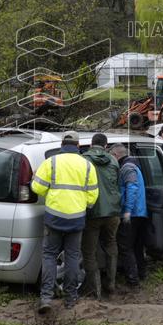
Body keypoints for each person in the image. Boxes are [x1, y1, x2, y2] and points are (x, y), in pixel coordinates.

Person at [31, 130, 98, 313]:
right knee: (72, 258)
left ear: (62, 145)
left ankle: (46, 298)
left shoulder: (50, 162)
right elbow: (93, 197)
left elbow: (37, 188)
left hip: (54, 218)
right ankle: (70, 298)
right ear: (77, 146)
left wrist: (48, 192)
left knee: (49, 256)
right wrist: (81, 204)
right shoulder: (87, 166)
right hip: (76, 219)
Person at [81, 133, 121, 299]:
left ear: (91, 144)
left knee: (89, 252)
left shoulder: (83, 160)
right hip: (112, 212)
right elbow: (117, 184)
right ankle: (110, 285)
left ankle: (94, 290)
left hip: (92, 212)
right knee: (111, 245)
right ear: (106, 146)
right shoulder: (113, 161)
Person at [110, 144, 149, 287]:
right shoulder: (134, 164)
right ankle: (142, 273)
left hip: (132, 214)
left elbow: (132, 188)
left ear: (115, 155)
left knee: (126, 247)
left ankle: (133, 281)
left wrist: (127, 211)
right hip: (140, 212)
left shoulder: (127, 168)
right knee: (137, 246)